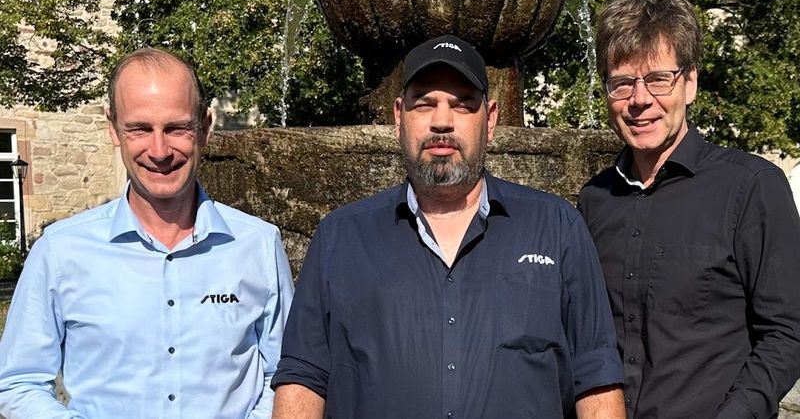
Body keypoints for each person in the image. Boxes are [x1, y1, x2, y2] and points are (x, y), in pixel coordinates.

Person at [271, 34, 624, 418]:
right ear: (398, 117)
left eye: (462, 105)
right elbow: (303, 379)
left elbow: (596, 376)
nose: (442, 122)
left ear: (490, 119)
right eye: (424, 104)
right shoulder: (339, 239)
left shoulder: (556, 229)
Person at [0, 48, 294, 418]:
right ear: (112, 127)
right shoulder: (60, 251)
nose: (159, 151)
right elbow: (19, 382)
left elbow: (287, 374)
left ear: (205, 127)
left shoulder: (258, 246)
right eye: (139, 129)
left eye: (176, 128)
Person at [578, 0, 800, 418]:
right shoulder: (595, 200)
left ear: (690, 83)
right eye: (622, 83)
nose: (640, 100)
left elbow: (787, 332)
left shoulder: (751, 188)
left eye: (658, 79)